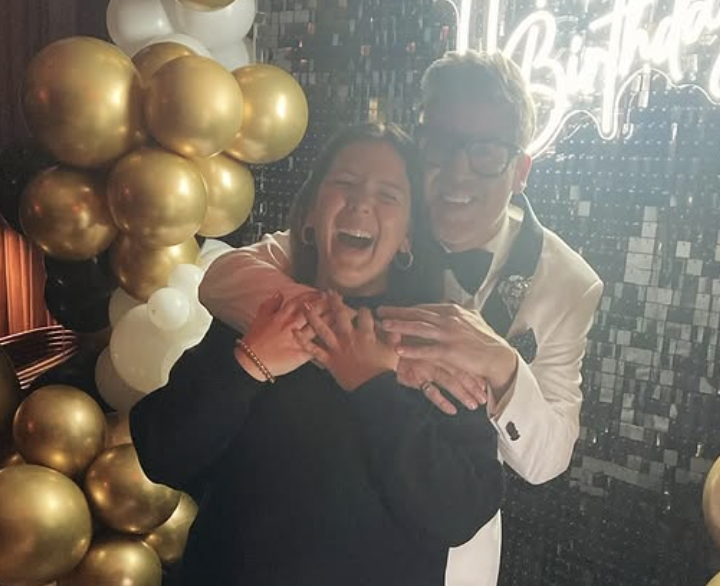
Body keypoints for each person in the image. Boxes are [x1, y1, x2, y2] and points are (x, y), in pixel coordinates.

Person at [198, 50, 604, 586]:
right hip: (303, 527)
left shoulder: (567, 284)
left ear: (520, 171)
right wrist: (356, 340)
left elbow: (547, 457)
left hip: (443, 531)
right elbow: (224, 277)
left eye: (485, 152)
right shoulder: (372, 212)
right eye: (442, 144)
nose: (458, 171)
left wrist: (502, 367)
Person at [130, 123, 504, 586]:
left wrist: (372, 386)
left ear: (408, 236)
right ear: (309, 217)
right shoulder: (262, 316)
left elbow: (460, 511)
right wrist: (249, 364)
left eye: (388, 195)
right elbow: (162, 454)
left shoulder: (437, 343)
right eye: (345, 183)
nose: (361, 203)